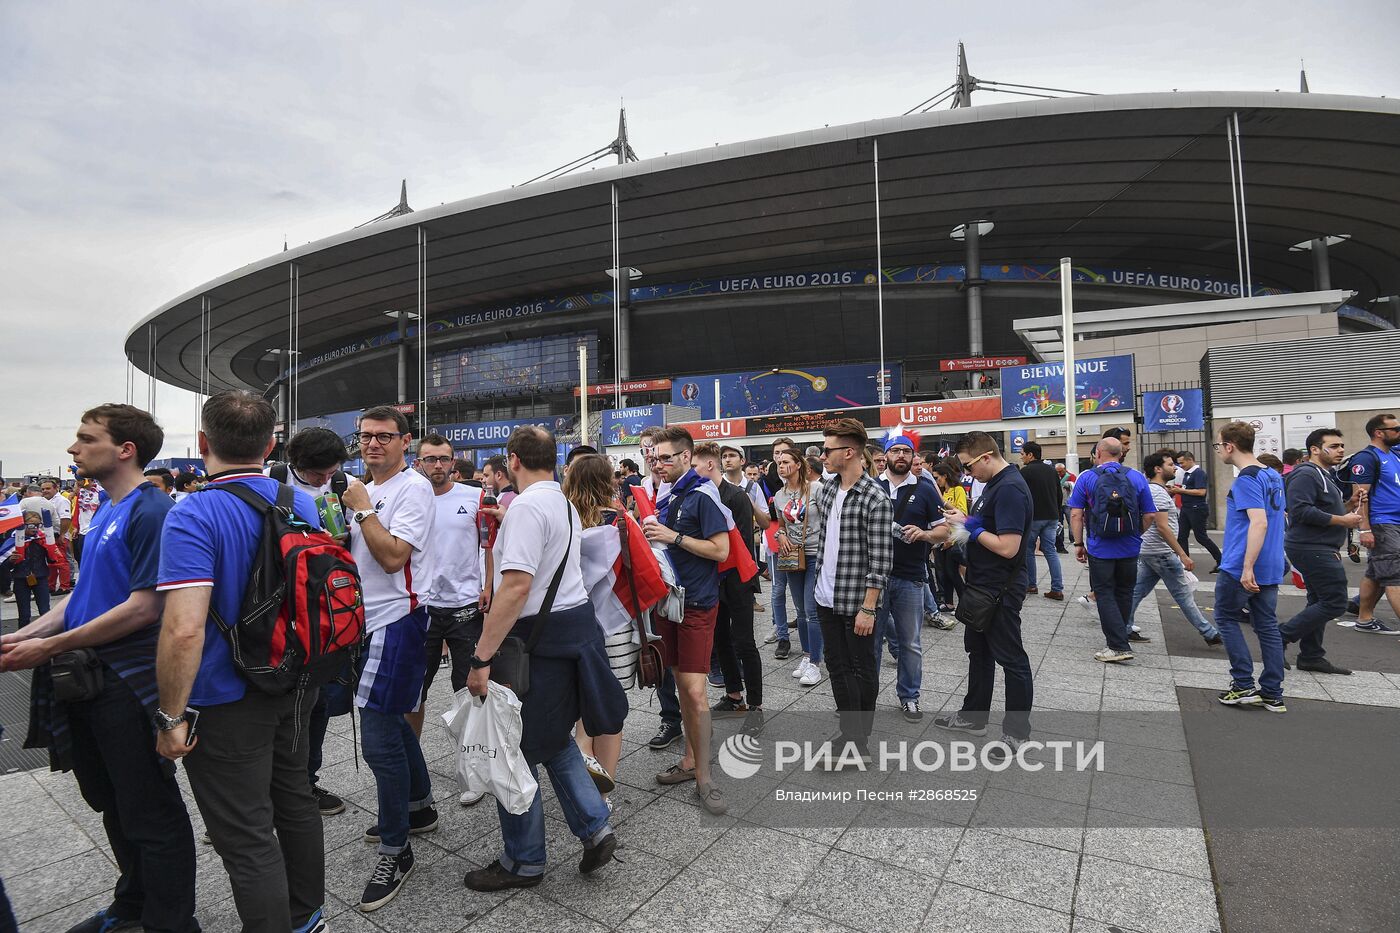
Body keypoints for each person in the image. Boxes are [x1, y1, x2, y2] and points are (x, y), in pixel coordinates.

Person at [3, 405, 198, 933]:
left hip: (127, 684)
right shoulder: (108, 509)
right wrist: (23, 636)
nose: (73, 448)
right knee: (110, 801)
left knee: (149, 811)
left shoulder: (152, 511)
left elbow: (145, 606)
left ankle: (172, 923)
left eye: (85, 439)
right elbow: (82, 597)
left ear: (125, 449)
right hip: (88, 678)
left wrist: (47, 648)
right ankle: (132, 904)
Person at [153, 392, 326, 933]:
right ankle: (307, 917)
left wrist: (170, 716)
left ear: (203, 443)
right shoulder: (301, 504)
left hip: (225, 695)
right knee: (295, 798)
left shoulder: (194, 513)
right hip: (297, 682)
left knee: (246, 834)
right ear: (272, 444)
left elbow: (183, 627)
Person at [463, 427, 626, 891]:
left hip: (538, 643)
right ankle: (595, 826)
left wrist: (481, 658)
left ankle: (524, 860)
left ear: (513, 460)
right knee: (553, 738)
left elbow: (515, 587)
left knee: (513, 750)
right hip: (572, 633)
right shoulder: (561, 501)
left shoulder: (528, 508)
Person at [336, 405, 438, 910]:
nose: (372, 444)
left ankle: (397, 849)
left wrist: (360, 511)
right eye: (365, 436)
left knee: (377, 736)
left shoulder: (411, 489)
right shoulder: (368, 490)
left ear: (406, 441)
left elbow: (395, 556)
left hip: (396, 619)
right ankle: (419, 807)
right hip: (366, 619)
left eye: (384, 436)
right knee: (392, 721)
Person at [642, 426, 732, 813]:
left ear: (685, 457)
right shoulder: (669, 493)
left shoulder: (701, 494)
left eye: (665, 457)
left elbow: (720, 550)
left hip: (696, 605)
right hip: (670, 605)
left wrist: (671, 536)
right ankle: (691, 761)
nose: (658, 463)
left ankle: (705, 777)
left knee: (696, 692)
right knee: (681, 686)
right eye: (654, 457)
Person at [266, 426, 353, 817]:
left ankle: (306, 781)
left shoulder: (343, 483)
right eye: (315, 474)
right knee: (272, 702)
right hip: (278, 605)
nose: (322, 480)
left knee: (316, 703)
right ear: (296, 463)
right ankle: (260, 791)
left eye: (327, 473)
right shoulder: (274, 479)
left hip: (324, 608)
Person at [936, 432, 1035, 755]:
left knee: (1011, 658)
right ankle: (974, 716)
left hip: (1000, 588)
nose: (967, 473)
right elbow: (990, 527)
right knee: (978, 652)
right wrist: (965, 520)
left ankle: (1017, 733)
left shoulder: (1009, 488)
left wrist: (972, 529)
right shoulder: (994, 485)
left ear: (986, 457)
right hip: (983, 585)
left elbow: (1008, 547)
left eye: (968, 466)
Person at [810, 418, 893, 767]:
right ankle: (849, 730)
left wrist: (869, 607)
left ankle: (859, 741)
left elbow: (881, 559)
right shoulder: (828, 489)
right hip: (826, 595)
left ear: (849, 452)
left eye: (828, 450)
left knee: (861, 667)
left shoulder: (875, 497)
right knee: (837, 665)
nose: (821, 455)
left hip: (857, 600)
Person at [410, 433, 486, 811]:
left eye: (443, 459)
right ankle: (412, 770)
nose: (437, 465)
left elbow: (488, 546)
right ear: (418, 462)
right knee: (413, 692)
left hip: (465, 608)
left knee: (468, 689)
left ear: (453, 461)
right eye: (430, 459)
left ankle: (473, 769)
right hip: (421, 608)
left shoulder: (473, 498)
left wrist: (487, 589)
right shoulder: (411, 499)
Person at [1212, 421, 1288, 712]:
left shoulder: (1246, 479)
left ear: (1230, 446)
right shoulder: (1272, 475)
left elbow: (1260, 522)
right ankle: (1272, 692)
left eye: (1219, 445)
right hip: (1271, 563)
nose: (1219, 450)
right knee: (1266, 625)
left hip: (1243, 563)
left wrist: (1246, 567)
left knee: (1226, 618)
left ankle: (1243, 684)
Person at [873, 433, 949, 722]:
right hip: (875, 579)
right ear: (886, 455)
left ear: (914, 457)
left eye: (907, 451)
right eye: (896, 451)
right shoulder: (871, 487)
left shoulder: (927, 490)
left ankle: (909, 696)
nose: (901, 456)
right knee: (872, 643)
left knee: (910, 643)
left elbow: (944, 530)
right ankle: (867, 697)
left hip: (911, 577)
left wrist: (925, 534)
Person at [695, 443, 765, 734]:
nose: (692, 470)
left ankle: (756, 707)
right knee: (721, 639)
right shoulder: (700, 494)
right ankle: (734, 695)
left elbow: (740, 546)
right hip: (713, 579)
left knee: (744, 642)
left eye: (696, 465)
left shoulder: (736, 496)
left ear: (710, 466)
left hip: (736, 578)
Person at [1068, 437, 1157, 663]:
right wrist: (1136, 534)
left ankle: (1117, 646)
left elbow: (1076, 514)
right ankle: (1121, 636)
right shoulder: (1136, 477)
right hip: (1130, 547)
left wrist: (1079, 544)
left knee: (1105, 592)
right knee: (1125, 591)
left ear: (1098, 453)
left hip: (1100, 548)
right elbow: (1150, 515)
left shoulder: (1086, 478)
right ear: (1120, 454)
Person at [1279, 428, 1361, 674]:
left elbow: (1322, 509)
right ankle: (1279, 637)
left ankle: (1311, 656)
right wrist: (1343, 521)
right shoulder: (1305, 474)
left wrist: (1349, 505)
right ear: (1315, 449)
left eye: (1341, 446)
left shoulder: (1324, 475)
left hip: (1319, 545)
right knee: (1335, 602)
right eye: (1334, 446)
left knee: (1319, 600)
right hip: (1311, 547)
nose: (1341, 450)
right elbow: (1300, 511)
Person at [1127, 450, 1221, 646]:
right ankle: (1210, 633)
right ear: (1158, 469)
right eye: (1170, 465)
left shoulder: (1153, 490)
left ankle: (1124, 627)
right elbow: (1162, 526)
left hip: (1150, 551)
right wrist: (1182, 554)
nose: (1175, 468)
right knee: (1183, 595)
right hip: (1161, 553)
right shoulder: (1158, 493)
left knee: (1136, 591)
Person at [772, 446, 824, 680]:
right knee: (801, 611)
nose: (782, 466)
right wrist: (780, 535)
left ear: (799, 464)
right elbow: (781, 525)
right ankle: (806, 655)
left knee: (812, 610)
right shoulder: (779, 495)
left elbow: (830, 520)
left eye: (786, 462)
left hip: (815, 554)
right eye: (779, 463)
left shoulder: (817, 489)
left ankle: (816, 662)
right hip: (792, 556)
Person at [1349, 412, 1400, 635]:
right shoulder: (1367, 458)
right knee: (1394, 576)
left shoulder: (1394, 455)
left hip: (1394, 523)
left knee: (1376, 573)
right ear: (1379, 433)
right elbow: (1360, 496)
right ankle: (1365, 618)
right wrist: (1365, 529)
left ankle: (1364, 619)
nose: (1399, 433)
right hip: (1383, 523)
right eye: (1396, 430)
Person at [1018, 442, 1064, 600]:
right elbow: (1059, 494)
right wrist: (1057, 514)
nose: (1021, 456)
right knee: (1050, 551)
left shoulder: (1025, 472)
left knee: (1028, 551)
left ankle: (1031, 585)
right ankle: (1057, 589)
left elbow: (1021, 495)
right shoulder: (1051, 471)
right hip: (1052, 516)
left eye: (1023, 453)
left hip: (1034, 517)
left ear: (1030, 455)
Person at [1169, 451, 1222, 571]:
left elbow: (1201, 492)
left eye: (1182, 463)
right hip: (1186, 508)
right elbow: (1187, 489)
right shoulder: (1187, 474)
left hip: (1197, 508)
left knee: (1201, 537)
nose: (1180, 466)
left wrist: (1181, 491)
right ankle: (1185, 562)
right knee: (1181, 536)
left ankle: (1221, 560)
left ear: (1190, 460)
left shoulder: (1198, 473)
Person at [929, 464, 966, 624]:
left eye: (937, 478)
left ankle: (964, 603)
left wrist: (942, 501)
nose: (937, 481)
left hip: (954, 537)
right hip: (942, 537)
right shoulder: (941, 491)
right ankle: (949, 602)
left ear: (945, 476)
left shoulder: (958, 490)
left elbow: (963, 513)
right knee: (943, 573)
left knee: (953, 572)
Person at [9, 512, 52, 627]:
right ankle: (22, 639)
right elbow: (4, 566)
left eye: (38, 525)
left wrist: (51, 549)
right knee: (24, 614)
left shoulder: (42, 539)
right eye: (32, 525)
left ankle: (47, 636)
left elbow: (53, 560)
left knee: (45, 611)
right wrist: (10, 560)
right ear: (23, 525)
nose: (35, 529)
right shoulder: (14, 540)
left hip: (41, 576)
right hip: (20, 578)